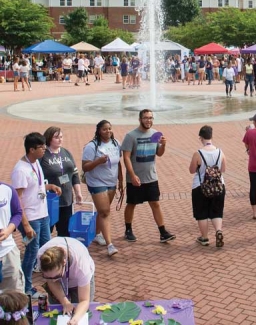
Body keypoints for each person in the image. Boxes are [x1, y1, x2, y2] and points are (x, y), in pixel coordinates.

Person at [12, 133, 62, 296]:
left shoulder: (35, 163)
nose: (44, 149)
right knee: (32, 251)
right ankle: (26, 287)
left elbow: (36, 187)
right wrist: (25, 224)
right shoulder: (21, 169)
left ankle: (50, 279)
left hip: (42, 214)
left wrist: (50, 187)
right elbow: (18, 199)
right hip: (31, 218)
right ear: (31, 149)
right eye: (41, 147)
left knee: (46, 247)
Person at [121, 109, 175, 243]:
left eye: (150, 118)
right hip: (135, 178)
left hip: (151, 177)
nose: (148, 120)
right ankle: (128, 230)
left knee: (155, 203)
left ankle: (163, 232)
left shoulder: (155, 134)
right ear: (140, 119)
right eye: (145, 118)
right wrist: (132, 175)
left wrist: (163, 145)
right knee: (132, 203)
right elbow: (126, 157)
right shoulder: (131, 136)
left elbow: (159, 153)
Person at [81, 120, 123, 257]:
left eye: (110, 128)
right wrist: (98, 161)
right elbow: (85, 167)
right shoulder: (92, 146)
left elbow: (118, 163)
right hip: (96, 182)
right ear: (99, 131)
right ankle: (110, 245)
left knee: (102, 211)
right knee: (105, 211)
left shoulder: (116, 143)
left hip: (111, 181)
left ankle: (97, 234)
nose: (108, 131)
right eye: (105, 129)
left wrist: (121, 180)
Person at [38, 237, 95, 325]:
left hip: (78, 280)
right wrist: (65, 302)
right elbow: (51, 281)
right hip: (65, 275)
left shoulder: (81, 266)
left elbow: (84, 300)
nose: (54, 280)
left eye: (57, 276)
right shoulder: (42, 256)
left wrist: (75, 319)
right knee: (58, 311)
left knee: (81, 312)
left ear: (64, 262)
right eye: (49, 277)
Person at [188, 125, 226, 248]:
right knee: (216, 211)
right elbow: (223, 169)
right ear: (211, 136)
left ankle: (204, 237)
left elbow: (192, 170)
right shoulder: (220, 152)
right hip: (218, 185)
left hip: (200, 187)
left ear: (201, 137)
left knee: (202, 213)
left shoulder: (198, 153)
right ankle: (218, 230)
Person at [40, 127, 82, 237]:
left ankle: (62, 251)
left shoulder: (66, 152)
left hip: (66, 199)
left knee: (65, 231)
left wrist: (78, 192)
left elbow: (74, 174)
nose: (60, 140)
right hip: (50, 200)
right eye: (56, 137)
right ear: (49, 138)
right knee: (46, 231)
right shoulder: (43, 155)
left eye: (61, 137)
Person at [0, 181, 24, 293]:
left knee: (15, 297)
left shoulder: (7, 190)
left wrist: (9, 230)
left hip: (7, 252)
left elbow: (17, 213)